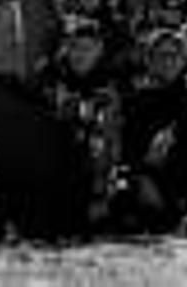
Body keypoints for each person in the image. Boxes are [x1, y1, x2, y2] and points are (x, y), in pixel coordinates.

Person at [121, 30, 187, 233]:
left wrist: (173, 133)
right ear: (149, 60)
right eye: (161, 55)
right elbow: (128, 146)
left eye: (174, 55)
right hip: (153, 175)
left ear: (183, 59)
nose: (168, 61)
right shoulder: (137, 97)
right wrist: (141, 175)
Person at [37, 19, 123, 232]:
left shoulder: (109, 80)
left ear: (99, 50)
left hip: (94, 168)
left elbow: (111, 138)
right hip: (52, 165)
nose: (80, 54)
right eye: (75, 47)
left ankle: (98, 202)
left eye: (87, 48)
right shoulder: (49, 75)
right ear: (65, 48)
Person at [16, 0, 61, 80]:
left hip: (42, 69)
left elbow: (55, 35)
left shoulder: (52, 1)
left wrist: (47, 57)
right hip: (15, 67)